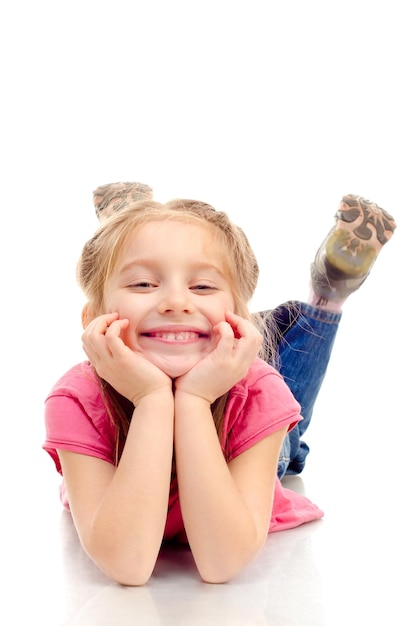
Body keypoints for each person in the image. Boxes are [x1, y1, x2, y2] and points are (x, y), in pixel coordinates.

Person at [42, 191, 396, 587]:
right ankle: (129, 226)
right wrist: (152, 399)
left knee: (289, 438)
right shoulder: (77, 399)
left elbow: (221, 564)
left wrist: (193, 399)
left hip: (245, 418)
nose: (176, 301)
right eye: (142, 283)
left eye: (203, 288)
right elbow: (127, 564)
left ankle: (327, 297)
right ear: (94, 320)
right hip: (202, 362)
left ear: (238, 318)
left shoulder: (259, 392)